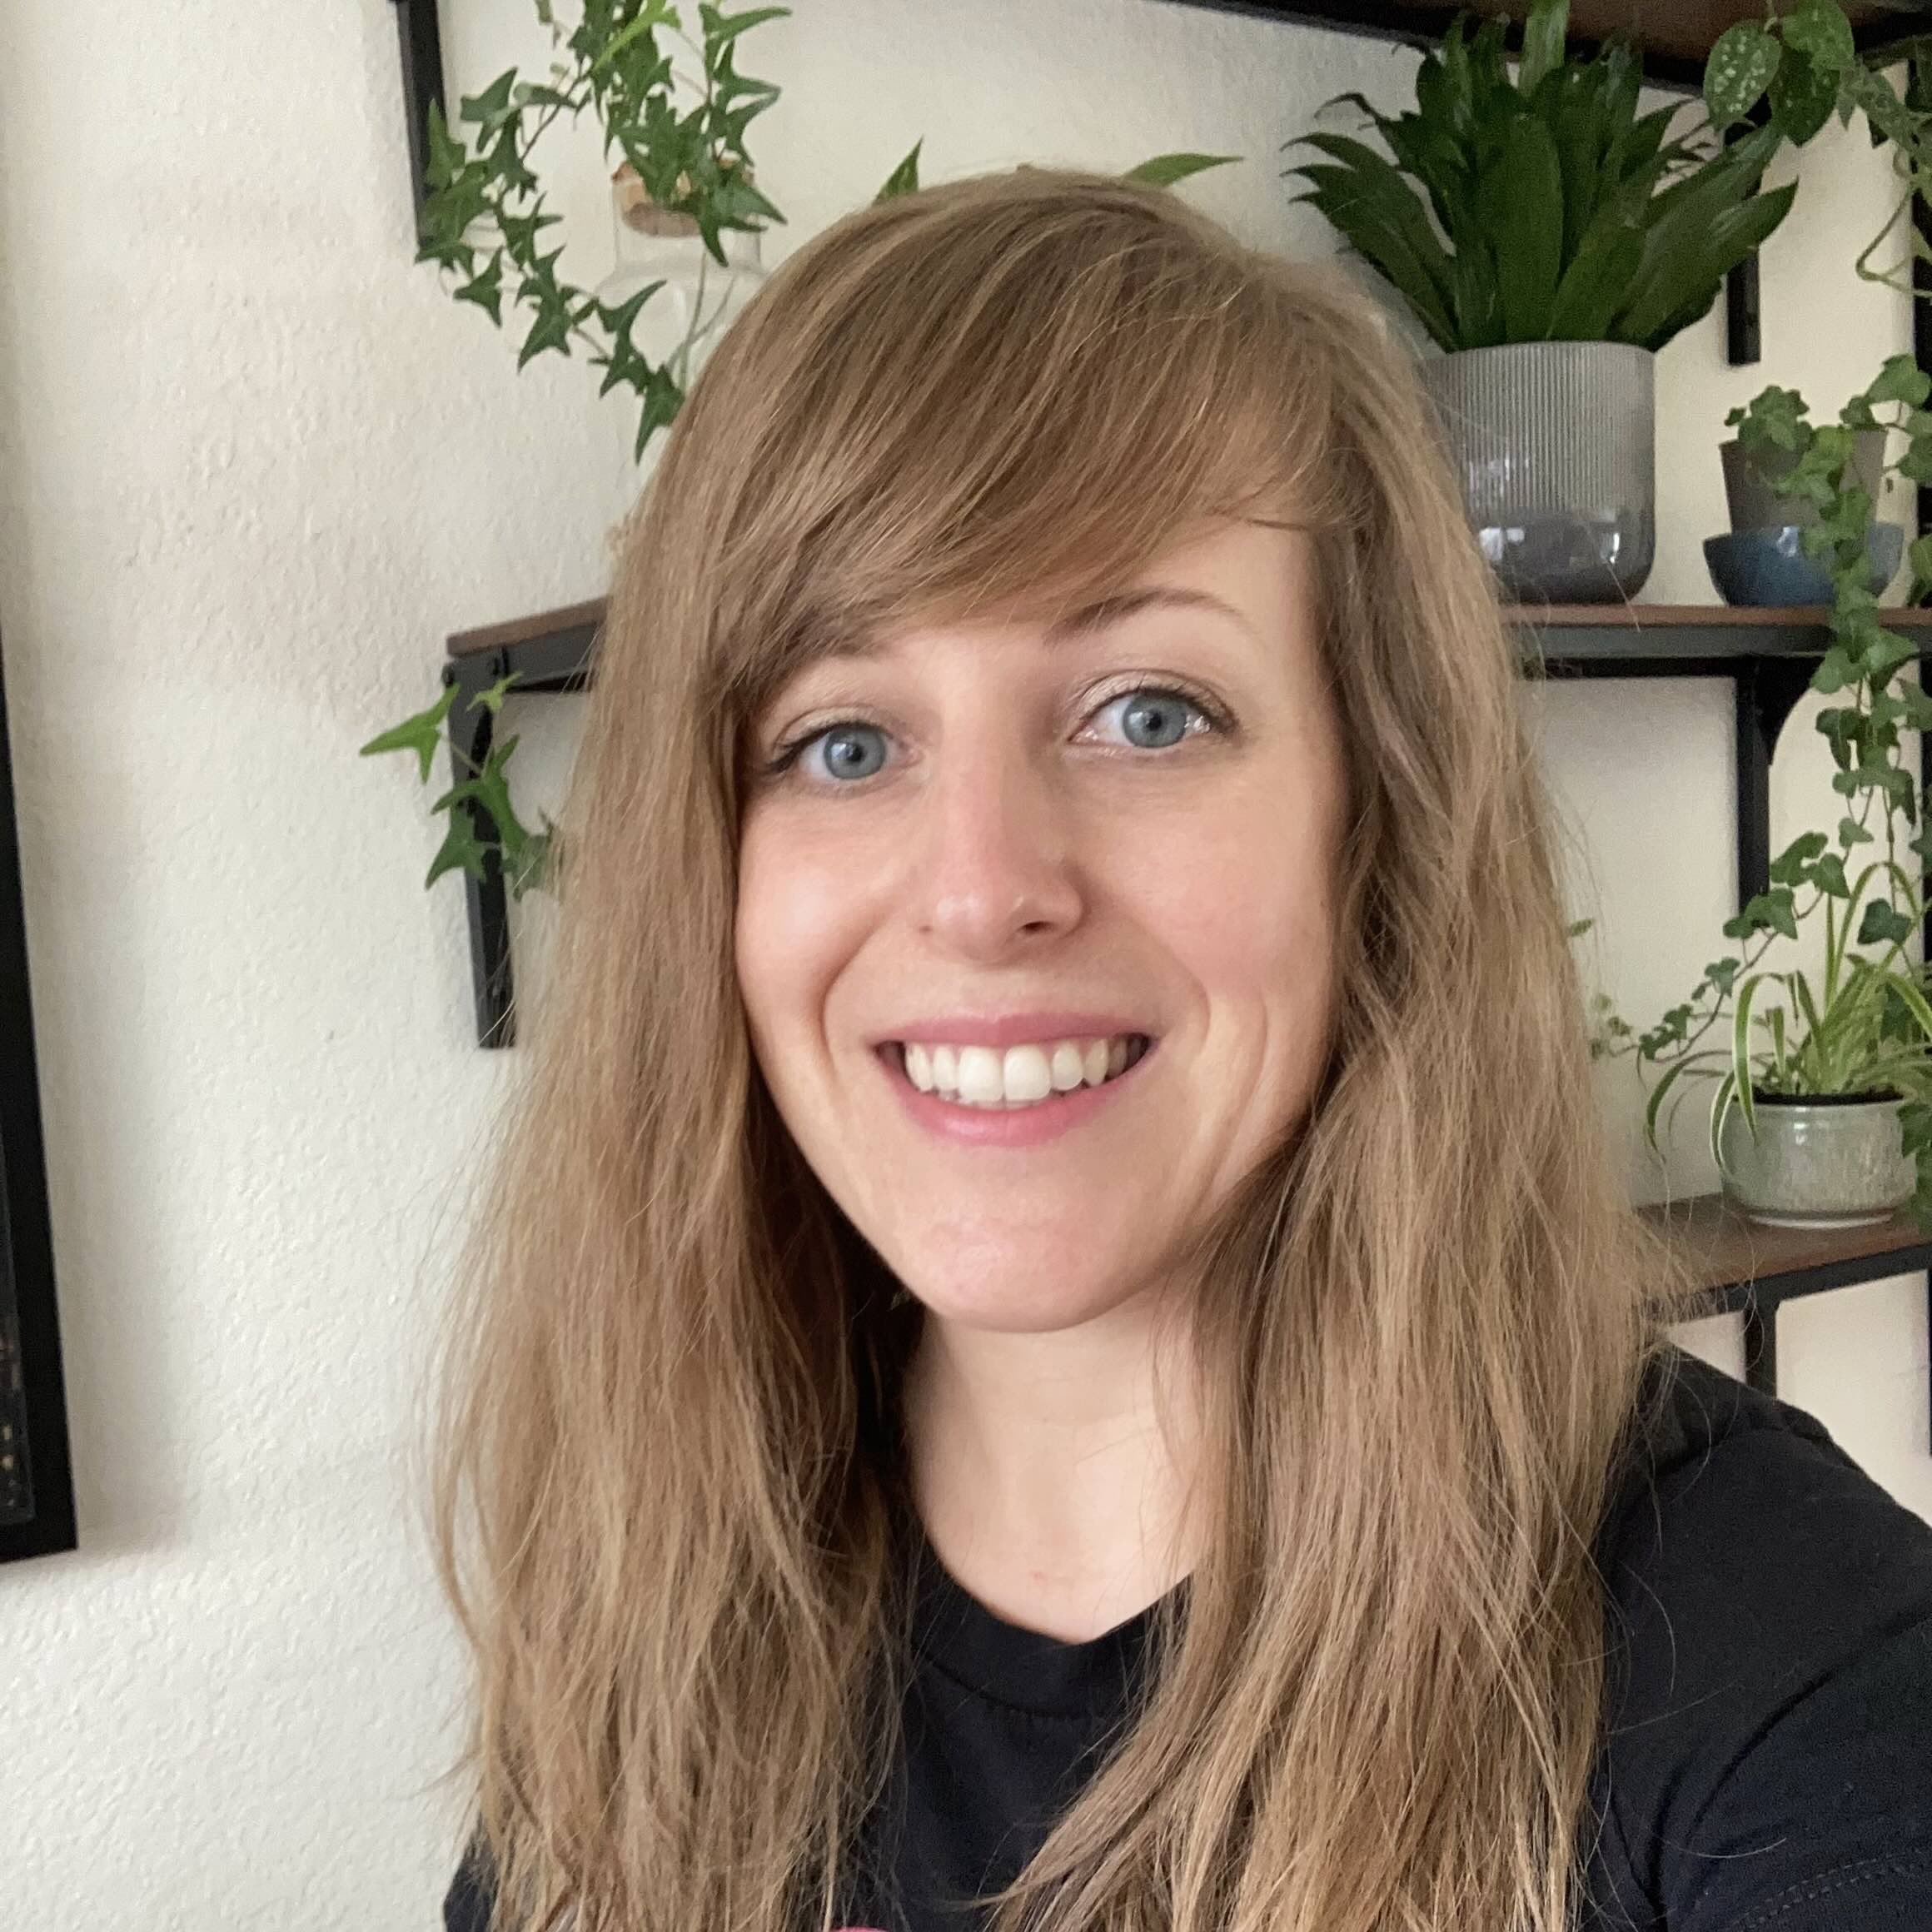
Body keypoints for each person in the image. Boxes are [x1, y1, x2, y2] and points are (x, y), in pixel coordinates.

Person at [426, 165, 1932, 1932]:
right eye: (841, 742)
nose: (983, 890)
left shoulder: (1792, 1680)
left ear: (1371, 828)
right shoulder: (658, 1633)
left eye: (1147, 711)